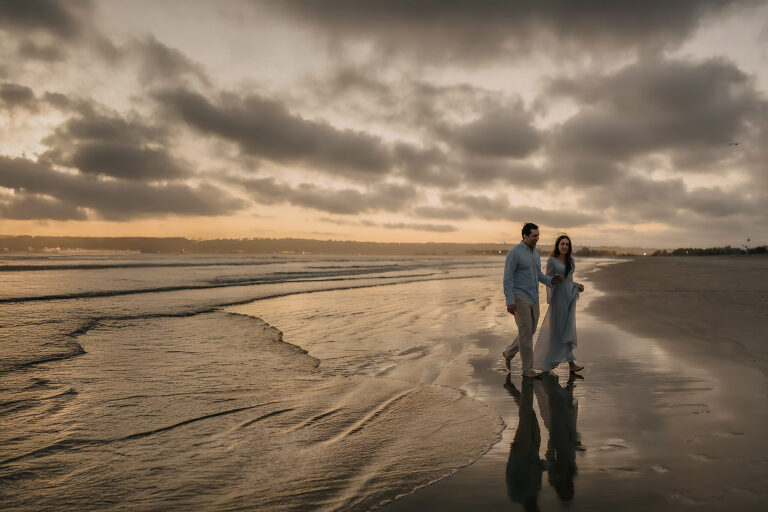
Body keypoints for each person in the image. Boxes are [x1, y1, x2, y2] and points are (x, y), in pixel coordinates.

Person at [503, 223, 563, 378]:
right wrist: (509, 301)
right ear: (524, 236)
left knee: (530, 330)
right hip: (519, 297)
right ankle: (527, 370)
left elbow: (538, 274)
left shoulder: (535, 252)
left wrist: (551, 280)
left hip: (534, 297)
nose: (537, 239)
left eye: (538, 236)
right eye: (534, 236)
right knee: (525, 332)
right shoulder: (514, 253)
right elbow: (508, 278)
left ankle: (508, 353)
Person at [532, 234, 585, 373]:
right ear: (557, 245)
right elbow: (548, 281)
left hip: (570, 297)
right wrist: (554, 282)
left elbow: (569, 280)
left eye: (567, 244)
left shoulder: (571, 261)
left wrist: (578, 286)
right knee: (558, 331)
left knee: (567, 329)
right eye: (562, 243)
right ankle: (567, 363)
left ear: (569, 247)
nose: (565, 246)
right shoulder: (552, 261)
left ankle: (554, 362)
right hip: (558, 299)